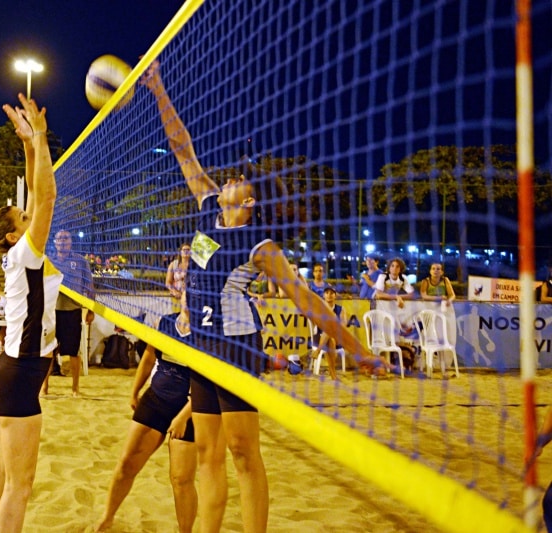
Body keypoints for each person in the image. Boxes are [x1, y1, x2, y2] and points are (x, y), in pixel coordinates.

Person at [141, 60, 383, 533]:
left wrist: (360, 352)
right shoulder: (209, 209)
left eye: (237, 181)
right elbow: (182, 149)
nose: (227, 179)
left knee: (242, 452)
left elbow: (309, 303)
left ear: (250, 202)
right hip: (203, 347)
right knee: (207, 451)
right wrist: (157, 90)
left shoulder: (260, 247)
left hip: (237, 345)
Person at [0, 93, 61, 533]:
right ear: (13, 234)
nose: (32, 216)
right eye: (24, 217)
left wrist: (29, 146)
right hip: (21, 373)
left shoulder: (16, 251)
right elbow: (47, 194)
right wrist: (39, 136)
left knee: (4, 472)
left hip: (9, 369)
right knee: (19, 485)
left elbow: (35, 193)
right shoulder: (24, 252)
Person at [94, 311, 197, 532]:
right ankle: (107, 519)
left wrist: (183, 416)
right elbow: (150, 357)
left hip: (191, 406)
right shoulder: (166, 321)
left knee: (180, 480)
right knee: (126, 463)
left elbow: (209, 381)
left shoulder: (208, 329)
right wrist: (134, 392)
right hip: (157, 398)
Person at [42, 229, 95, 397]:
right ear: (55, 242)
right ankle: (44, 388)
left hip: (72, 311)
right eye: (59, 239)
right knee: (47, 351)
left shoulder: (80, 262)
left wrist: (91, 310)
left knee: (73, 352)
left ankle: (75, 389)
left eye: (66, 238)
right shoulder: (49, 261)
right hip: (52, 312)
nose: (62, 241)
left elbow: (89, 287)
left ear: (71, 241)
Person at [309, 286, 347, 380]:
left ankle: (317, 351)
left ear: (335, 295)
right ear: (323, 295)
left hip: (336, 336)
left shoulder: (341, 310)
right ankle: (333, 374)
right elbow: (317, 324)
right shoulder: (319, 308)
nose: (329, 295)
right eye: (327, 293)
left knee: (331, 336)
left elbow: (343, 327)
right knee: (330, 339)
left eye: (331, 293)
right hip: (320, 337)